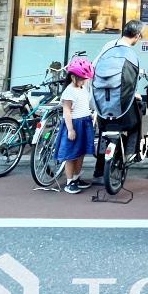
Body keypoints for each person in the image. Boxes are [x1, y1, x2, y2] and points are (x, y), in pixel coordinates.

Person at [91, 21, 144, 172]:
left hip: (101, 99)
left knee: (104, 131)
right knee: (137, 116)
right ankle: (130, 154)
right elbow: (129, 82)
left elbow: (94, 67)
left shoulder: (109, 46)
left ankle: (99, 170)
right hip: (120, 101)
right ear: (137, 36)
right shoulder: (129, 54)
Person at [56, 57, 96, 194]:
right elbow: (67, 111)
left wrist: (89, 114)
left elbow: (84, 104)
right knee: (71, 154)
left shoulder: (82, 88)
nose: (85, 81)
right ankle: (69, 182)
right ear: (73, 77)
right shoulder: (69, 91)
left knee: (81, 153)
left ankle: (76, 178)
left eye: (86, 79)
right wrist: (70, 129)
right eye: (82, 79)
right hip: (74, 124)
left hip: (84, 122)